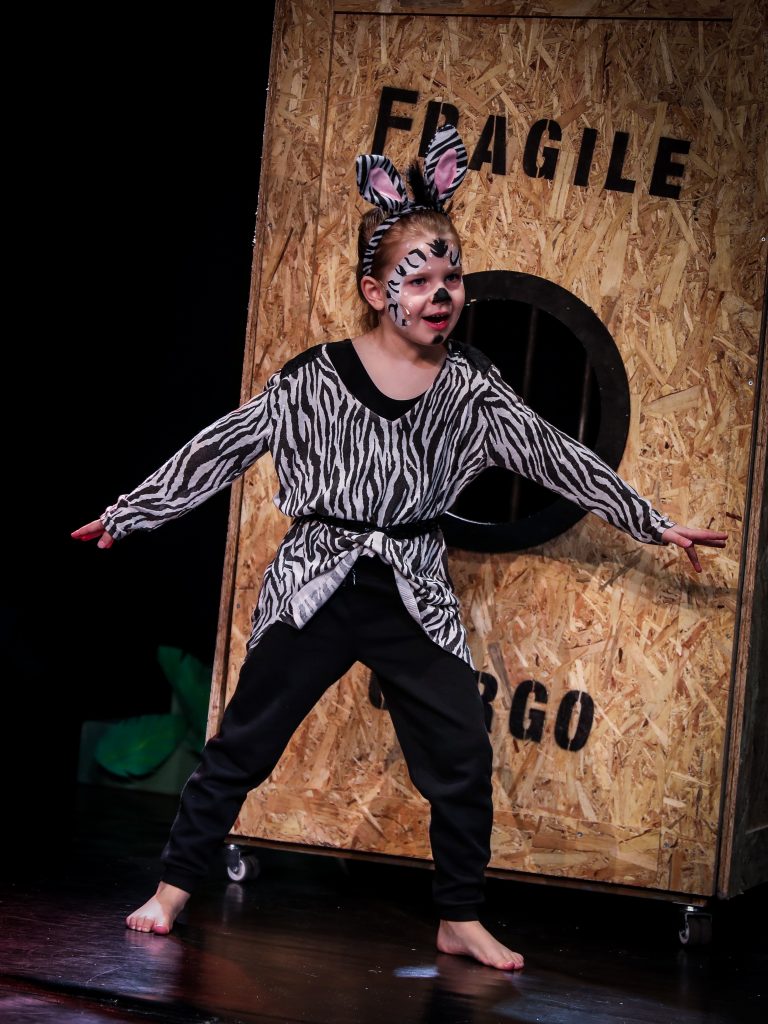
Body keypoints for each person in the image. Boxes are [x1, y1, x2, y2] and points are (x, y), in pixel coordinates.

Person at [72, 126, 726, 971]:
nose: (440, 292)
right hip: (319, 580)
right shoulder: (313, 377)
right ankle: (171, 890)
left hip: (413, 585)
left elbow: (556, 453)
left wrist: (652, 520)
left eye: (450, 275)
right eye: (418, 279)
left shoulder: (472, 385)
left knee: (460, 748)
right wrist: (133, 512)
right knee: (242, 742)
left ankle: (459, 916)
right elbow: (225, 445)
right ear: (377, 292)